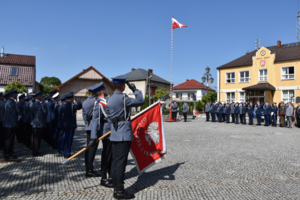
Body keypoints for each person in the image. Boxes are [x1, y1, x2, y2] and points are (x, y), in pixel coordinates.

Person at [107, 75, 144, 199]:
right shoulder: (123, 98)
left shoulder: (110, 99)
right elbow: (140, 101)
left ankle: (114, 182)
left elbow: (108, 116)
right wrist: (135, 90)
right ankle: (119, 191)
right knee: (121, 163)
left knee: (115, 161)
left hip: (115, 133)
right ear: (123, 86)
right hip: (124, 134)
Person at [89, 82, 114, 186]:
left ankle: (112, 176)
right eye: (105, 89)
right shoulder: (98, 104)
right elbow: (95, 120)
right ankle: (104, 178)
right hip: (106, 132)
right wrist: (93, 137)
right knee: (106, 155)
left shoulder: (108, 100)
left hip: (114, 131)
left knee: (112, 155)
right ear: (102, 91)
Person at [82, 84, 101, 177]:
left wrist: (87, 123)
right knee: (92, 149)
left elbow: (84, 116)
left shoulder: (85, 102)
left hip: (88, 126)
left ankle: (88, 167)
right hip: (95, 128)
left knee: (88, 148)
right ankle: (90, 170)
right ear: (95, 93)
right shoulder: (97, 102)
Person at [63, 92, 82, 158]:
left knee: (66, 139)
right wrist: (78, 101)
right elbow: (79, 106)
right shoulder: (71, 104)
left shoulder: (66, 104)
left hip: (66, 124)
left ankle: (66, 151)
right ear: (71, 98)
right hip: (70, 124)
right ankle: (67, 153)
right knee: (69, 140)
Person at [2, 90, 19, 161]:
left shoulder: (9, 101)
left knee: (10, 139)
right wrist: (14, 124)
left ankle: (9, 152)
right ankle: (7, 155)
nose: (17, 95)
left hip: (8, 124)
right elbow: (12, 115)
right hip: (10, 124)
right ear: (12, 95)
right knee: (9, 140)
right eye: (16, 94)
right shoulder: (11, 102)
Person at [31, 91, 47, 156]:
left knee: (36, 138)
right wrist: (41, 124)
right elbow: (39, 115)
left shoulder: (35, 103)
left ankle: (36, 151)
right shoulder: (37, 104)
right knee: (37, 139)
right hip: (38, 124)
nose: (42, 97)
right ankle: (35, 152)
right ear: (38, 96)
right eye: (41, 96)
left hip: (35, 123)